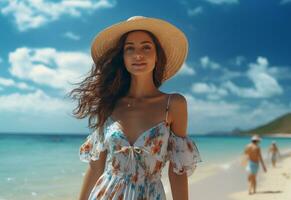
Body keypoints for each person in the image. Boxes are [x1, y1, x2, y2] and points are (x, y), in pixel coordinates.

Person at [68, 16, 201, 200]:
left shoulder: (174, 104)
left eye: (146, 47)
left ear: (157, 55)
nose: (138, 54)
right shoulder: (109, 103)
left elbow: (177, 171)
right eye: (130, 48)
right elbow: (95, 166)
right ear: (122, 57)